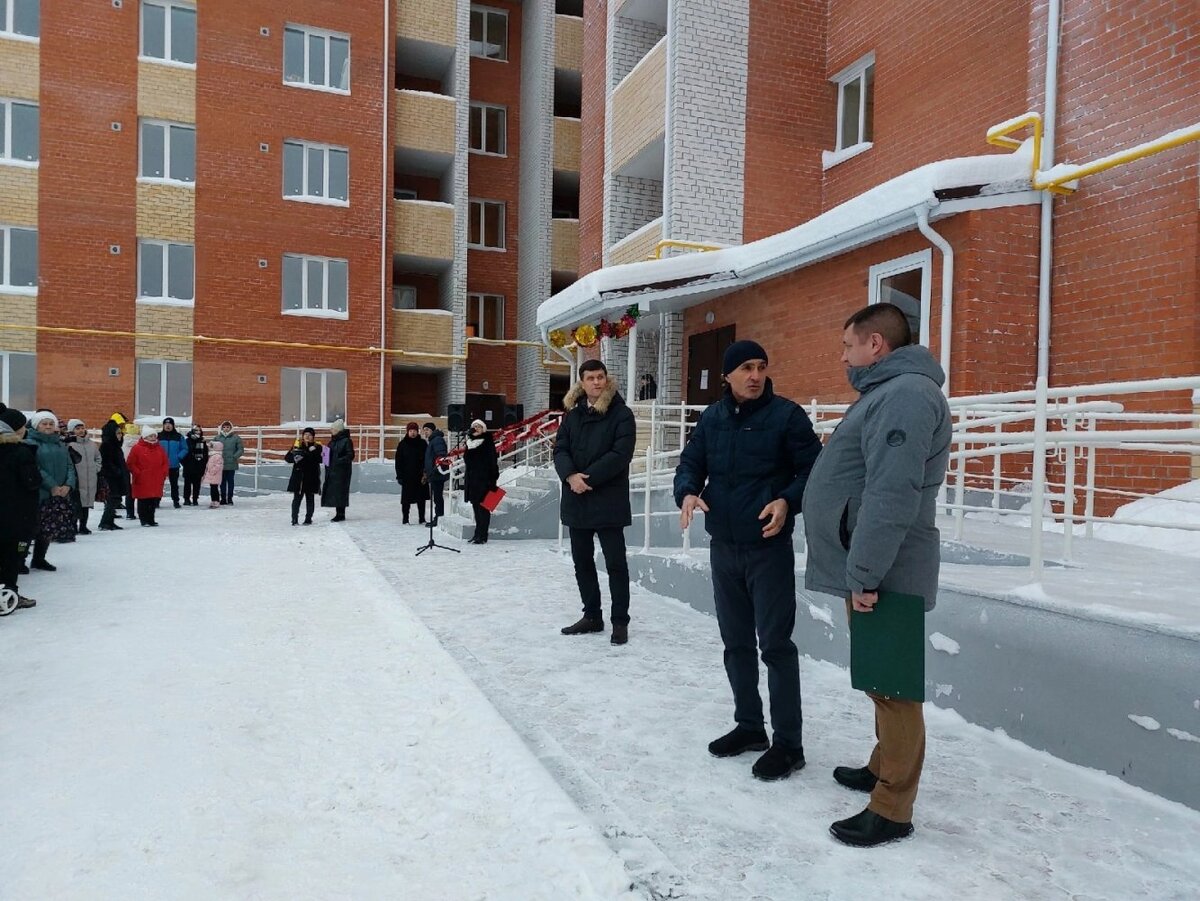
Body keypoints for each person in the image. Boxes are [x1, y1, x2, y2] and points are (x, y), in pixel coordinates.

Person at [802, 302, 951, 848]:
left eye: (847, 346)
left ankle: (891, 807)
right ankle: (880, 764)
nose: (842, 357)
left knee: (893, 689)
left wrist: (864, 573)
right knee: (878, 678)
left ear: (875, 346)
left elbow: (892, 493)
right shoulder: (887, 393)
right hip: (872, 563)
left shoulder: (906, 396)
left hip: (885, 567)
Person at [674, 340, 822, 781]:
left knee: (775, 646)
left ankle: (789, 745)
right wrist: (685, 491)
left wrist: (787, 501)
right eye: (745, 368)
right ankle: (749, 726)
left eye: (760, 367)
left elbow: (814, 469)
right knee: (735, 643)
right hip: (724, 546)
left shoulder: (786, 416)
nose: (755, 375)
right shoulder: (712, 419)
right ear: (727, 376)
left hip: (767, 548)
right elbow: (690, 463)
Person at [554, 359, 637, 645]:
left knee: (615, 564)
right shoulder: (572, 415)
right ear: (582, 382)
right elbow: (560, 449)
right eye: (591, 378)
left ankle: (619, 621)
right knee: (582, 563)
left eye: (601, 377)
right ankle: (592, 616)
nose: (597, 382)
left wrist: (586, 479)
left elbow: (621, 453)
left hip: (608, 501)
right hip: (577, 501)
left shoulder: (621, 414)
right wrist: (570, 476)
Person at [0, 407, 41, 612]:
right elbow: (32, 481)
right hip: (17, 515)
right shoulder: (20, 452)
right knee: (13, 557)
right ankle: (9, 594)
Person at [25, 411, 77, 571]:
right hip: (40, 493)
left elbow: (70, 466)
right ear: (36, 425)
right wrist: (52, 486)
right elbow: (35, 468)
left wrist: (68, 485)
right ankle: (19, 561)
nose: (48, 426)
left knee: (48, 528)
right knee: (30, 528)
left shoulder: (60, 444)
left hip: (60, 493)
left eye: (50, 423)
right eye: (44, 423)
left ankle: (39, 558)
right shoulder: (29, 444)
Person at [462, 419, 499, 544]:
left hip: (484, 480)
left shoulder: (487, 441)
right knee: (476, 508)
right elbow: (468, 461)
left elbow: (492, 462)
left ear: (483, 429)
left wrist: (492, 480)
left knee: (484, 509)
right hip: (473, 481)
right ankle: (477, 533)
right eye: (474, 426)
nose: (476, 428)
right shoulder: (470, 442)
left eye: (479, 426)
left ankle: (483, 535)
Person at [127, 426, 170, 526]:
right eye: (151, 435)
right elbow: (130, 463)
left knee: (153, 500)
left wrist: (164, 473)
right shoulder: (137, 448)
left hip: (156, 478)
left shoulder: (159, 448)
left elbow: (165, 462)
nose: (153, 437)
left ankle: (151, 519)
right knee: (143, 500)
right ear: (145, 437)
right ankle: (144, 519)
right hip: (142, 478)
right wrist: (138, 472)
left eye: (154, 435)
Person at [64, 419, 101, 535]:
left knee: (86, 503)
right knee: (76, 503)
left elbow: (98, 458)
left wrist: (96, 468)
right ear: (72, 430)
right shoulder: (69, 444)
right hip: (77, 478)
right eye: (77, 428)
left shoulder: (91, 444)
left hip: (90, 478)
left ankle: (83, 526)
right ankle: (73, 525)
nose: (80, 431)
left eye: (82, 428)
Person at [97, 417, 130, 531]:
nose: (120, 435)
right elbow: (105, 462)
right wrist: (116, 471)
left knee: (115, 499)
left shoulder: (116, 446)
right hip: (110, 478)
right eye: (117, 433)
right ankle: (105, 522)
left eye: (121, 433)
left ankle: (109, 521)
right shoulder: (107, 446)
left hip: (117, 477)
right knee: (112, 499)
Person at [395, 422, 429, 525]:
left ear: (417, 431)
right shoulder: (402, 444)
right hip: (407, 476)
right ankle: (405, 519)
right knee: (406, 500)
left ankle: (422, 518)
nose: (412, 433)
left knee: (421, 498)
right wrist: (399, 476)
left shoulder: (423, 444)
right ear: (407, 432)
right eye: (410, 431)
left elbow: (427, 459)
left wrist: (426, 473)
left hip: (420, 475)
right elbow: (398, 461)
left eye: (414, 431)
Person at [287, 427, 322, 526]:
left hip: (311, 477)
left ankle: (308, 519)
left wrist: (312, 452)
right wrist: (294, 457)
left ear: (313, 437)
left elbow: (321, 459)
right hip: (299, 477)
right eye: (305, 434)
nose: (307, 436)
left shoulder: (317, 447)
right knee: (296, 499)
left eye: (310, 435)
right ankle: (294, 519)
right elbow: (287, 458)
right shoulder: (297, 445)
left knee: (310, 499)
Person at [322, 419, 353, 521]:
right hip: (333, 470)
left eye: (333, 429)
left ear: (338, 430)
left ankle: (341, 514)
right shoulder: (332, 441)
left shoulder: (346, 441)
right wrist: (324, 455)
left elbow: (350, 455)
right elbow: (328, 454)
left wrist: (338, 461)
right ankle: (338, 513)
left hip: (342, 472)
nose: (331, 430)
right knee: (335, 492)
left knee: (340, 492)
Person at [158, 416, 187, 508]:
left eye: (169, 424)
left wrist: (178, 457)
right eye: (165, 424)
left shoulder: (178, 437)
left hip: (174, 465)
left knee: (174, 484)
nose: (167, 426)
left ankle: (176, 501)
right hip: (160, 465)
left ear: (173, 425)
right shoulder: (158, 436)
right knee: (159, 484)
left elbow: (185, 449)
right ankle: (156, 500)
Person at [421, 422, 448, 522]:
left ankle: (439, 517)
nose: (425, 432)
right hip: (433, 474)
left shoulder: (437, 440)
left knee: (437, 497)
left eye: (427, 430)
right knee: (436, 497)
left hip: (437, 474)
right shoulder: (433, 440)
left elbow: (441, 455)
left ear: (432, 430)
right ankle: (437, 516)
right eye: (424, 430)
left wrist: (435, 469)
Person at [216, 421, 244, 505]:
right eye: (224, 427)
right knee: (222, 482)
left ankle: (230, 498)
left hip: (231, 463)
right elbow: (212, 447)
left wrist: (234, 457)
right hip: (221, 463)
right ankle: (223, 498)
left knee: (230, 481)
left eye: (227, 427)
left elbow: (240, 449)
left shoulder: (236, 438)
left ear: (231, 428)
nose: (226, 429)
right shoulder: (217, 438)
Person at [181, 425, 208, 506]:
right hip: (188, 465)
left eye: (199, 430)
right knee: (187, 484)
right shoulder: (187, 440)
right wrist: (185, 463)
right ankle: (186, 499)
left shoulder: (202, 441)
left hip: (199, 465)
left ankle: (195, 499)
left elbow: (205, 453)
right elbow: (184, 451)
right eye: (196, 430)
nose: (198, 432)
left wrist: (203, 463)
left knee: (197, 484)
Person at [202, 438, 224, 508]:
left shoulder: (217, 456)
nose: (210, 448)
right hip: (212, 475)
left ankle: (216, 501)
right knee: (212, 488)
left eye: (212, 447)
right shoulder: (213, 455)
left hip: (215, 475)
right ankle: (213, 501)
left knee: (214, 489)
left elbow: (218, 465)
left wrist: (212, 471)